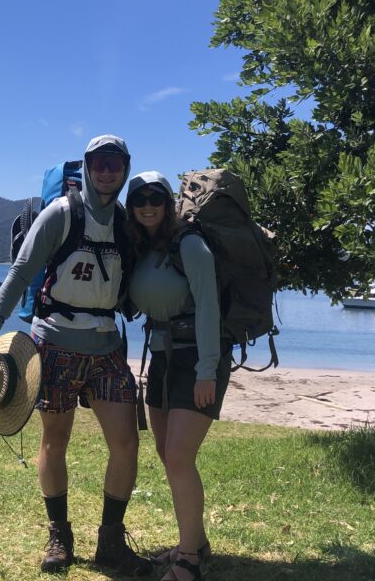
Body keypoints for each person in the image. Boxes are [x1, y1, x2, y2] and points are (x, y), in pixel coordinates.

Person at [0, 135, 153, 576]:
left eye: (116, 163)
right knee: (55, 440)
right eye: (99, 162)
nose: (107, 170)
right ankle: (59, 535)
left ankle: (111, 542)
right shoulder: (62, 213)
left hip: (107, 346)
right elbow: (21, 271)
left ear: (126, 169)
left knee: (126, 444)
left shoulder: (127, 223)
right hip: (54, 344)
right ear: (87, 167)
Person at [123, 171, 230, 581]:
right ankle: (196, 542)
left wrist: (207, 371)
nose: (147, 205)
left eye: (156, 198)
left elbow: (208, 309)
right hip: (163, 358)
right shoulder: (147, 248)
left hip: (196, 360)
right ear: (131, 208)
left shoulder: (191, 246)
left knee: (180, 458)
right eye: (139, 199)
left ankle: (188, 561)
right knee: (168, 457)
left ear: (169, 203)